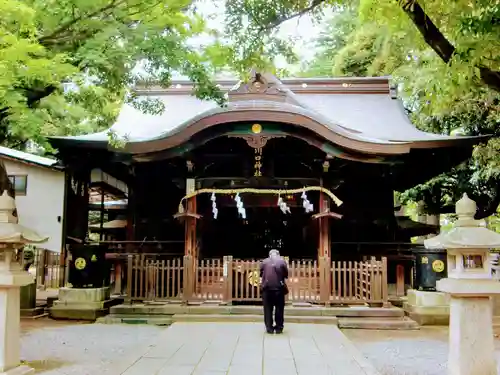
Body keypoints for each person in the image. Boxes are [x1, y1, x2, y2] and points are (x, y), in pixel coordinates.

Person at [260, 249, 289, 334]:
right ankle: (279, 328)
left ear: (269, 255)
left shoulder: (264, 262)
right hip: (279, 289)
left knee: (267, 309)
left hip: (267, 289)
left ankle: (269, 328)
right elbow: (285, 274)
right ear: (278, 254)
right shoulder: (282, 261)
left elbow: (261, 273)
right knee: (279, 309)